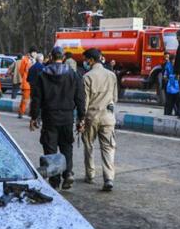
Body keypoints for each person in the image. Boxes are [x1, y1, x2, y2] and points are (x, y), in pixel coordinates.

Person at [29, 47, 85, 190]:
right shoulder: (73, 74)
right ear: (63, 58)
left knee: (50, 148)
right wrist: (81, 117)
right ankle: (68, 174)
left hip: (50, 117)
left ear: (51, 57)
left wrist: (34, 117)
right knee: (67, 146)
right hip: (67, 117)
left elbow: (36, 98)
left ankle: (54, 180)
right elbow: (80, 97)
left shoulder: (42, 75)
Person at [81, 48, 117, 191]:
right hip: (108, 117)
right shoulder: (112, 75)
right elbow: (114, 98)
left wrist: (81, 120)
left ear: (90, 60)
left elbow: (85, 102)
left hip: (92, 117)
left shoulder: (87, 77)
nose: (85, 63)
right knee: (108, 147)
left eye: (86, 60)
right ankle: (109, 178)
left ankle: (90, 174)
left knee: (89, 146)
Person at [16, 48, 35, 119]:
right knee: (25, 99)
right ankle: (21, 112)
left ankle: (29, 112)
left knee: (31, 100)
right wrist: (24, 78)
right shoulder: (25, 60)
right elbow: (21, 71)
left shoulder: (34, 60)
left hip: (32, 83)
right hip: (27, 83)